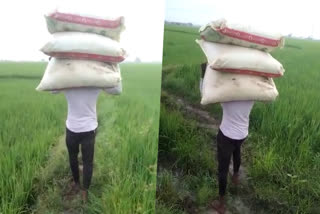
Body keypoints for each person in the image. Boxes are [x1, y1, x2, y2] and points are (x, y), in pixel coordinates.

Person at [52, 84, 122, 203]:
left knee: (73, 157)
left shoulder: (68, 80)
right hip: (89, 129)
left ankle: (77, 183)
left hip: (72, 128)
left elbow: (53, 90)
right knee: (87, 161)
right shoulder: (95, 81)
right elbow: (117, 91)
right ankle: (85, 191)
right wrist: (115, 68)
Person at [200, 63, 254, 214]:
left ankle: (221, 204)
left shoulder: (227, 96)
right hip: (243, 134)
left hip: (226, 136)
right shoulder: (252, 96)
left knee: (222, 170)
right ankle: (236, 176)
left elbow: (205, 95)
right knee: (237, 152)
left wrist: (203, 75)